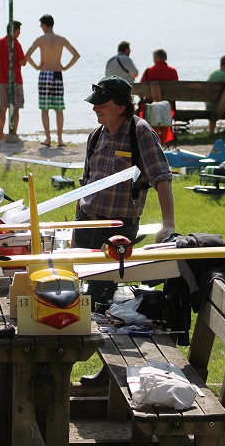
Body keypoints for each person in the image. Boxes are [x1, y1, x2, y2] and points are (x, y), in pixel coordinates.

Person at [75, 76, 175, 386]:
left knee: (105, 304)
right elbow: (86, 182)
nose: (96, 111)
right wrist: (76, 222)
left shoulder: (141, 134)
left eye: (101, 106)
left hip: (117, 231)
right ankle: (91, 363)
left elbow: (162, 177)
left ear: (121, 106)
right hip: (87, 223)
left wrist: (169, 225)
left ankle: (111, 374)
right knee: (81, 299)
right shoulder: (97, 135)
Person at [25, 14, 80, 147]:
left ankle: (48, 138)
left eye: (41, 25)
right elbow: (76, 55)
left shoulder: (40, 39)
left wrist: (36, 66)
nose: (41, 27)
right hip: (57, 73)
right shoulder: (61, 39)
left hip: (44, 74)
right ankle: (60, 139)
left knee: (45, 109)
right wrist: (65, 67)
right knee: (58, 108)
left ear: (45, 25)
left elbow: (27, 56)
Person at [0, 20, 27, 142]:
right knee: (16, 108)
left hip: (1, 79)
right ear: (16, 30)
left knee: (2, 108)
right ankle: (13, 132)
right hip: (15, 80)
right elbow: (23, 62)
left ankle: (1, 134)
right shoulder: (15, 44)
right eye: (19, 30)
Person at [140, 49, 179, 144]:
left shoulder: (149, 71)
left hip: (152, 105)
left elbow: (141, 89)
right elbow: (176, 90)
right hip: (168, 106)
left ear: (156, 57)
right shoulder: (173, 71)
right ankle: (165, 137)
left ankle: (148, 135)